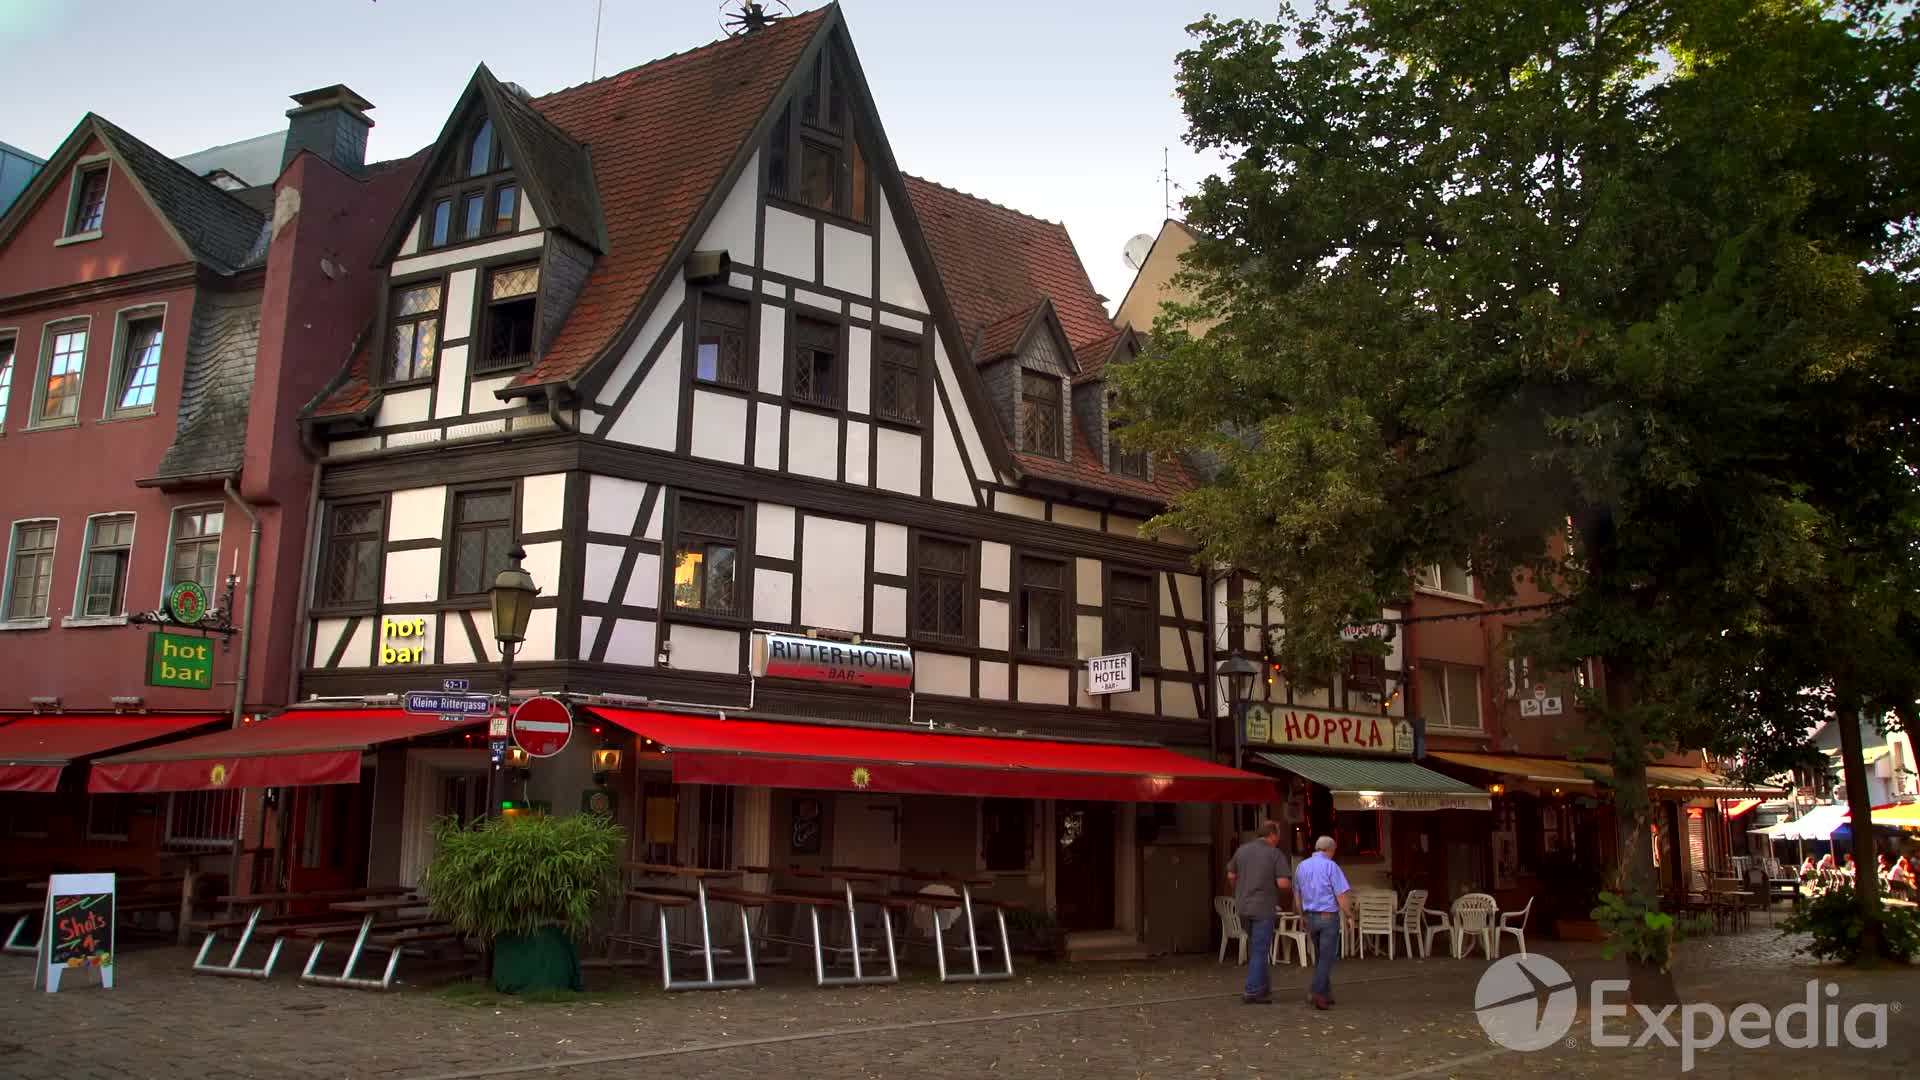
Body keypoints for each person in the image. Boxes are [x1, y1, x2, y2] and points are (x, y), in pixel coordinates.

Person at [1226, 821, 1293, 1004]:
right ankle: (1252, 990)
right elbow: (1282, 883)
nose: (1279, 839)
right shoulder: (1274, 854)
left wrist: (1239, 889)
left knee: (1256, 947)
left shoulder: (1242, 850)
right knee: (1260, 949)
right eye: (1278, 835)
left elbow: (1231, 875)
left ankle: (1263, 988)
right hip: (1263, 907)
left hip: (1243, 906)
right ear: (1272, 834)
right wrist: (1291, 887)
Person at [1294, 834, 1352, 1010]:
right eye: (1334, 851)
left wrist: (1301, 915)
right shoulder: (1331, 866)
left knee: (1321, 957)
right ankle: (1317, 992)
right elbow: (1341, 895)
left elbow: (1297, 895)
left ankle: (1326, 994)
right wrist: (1349, 915)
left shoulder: (1301, 866)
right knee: (1327, 957)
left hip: (1310, 916)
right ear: (1330, 850)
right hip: (1327, 917)